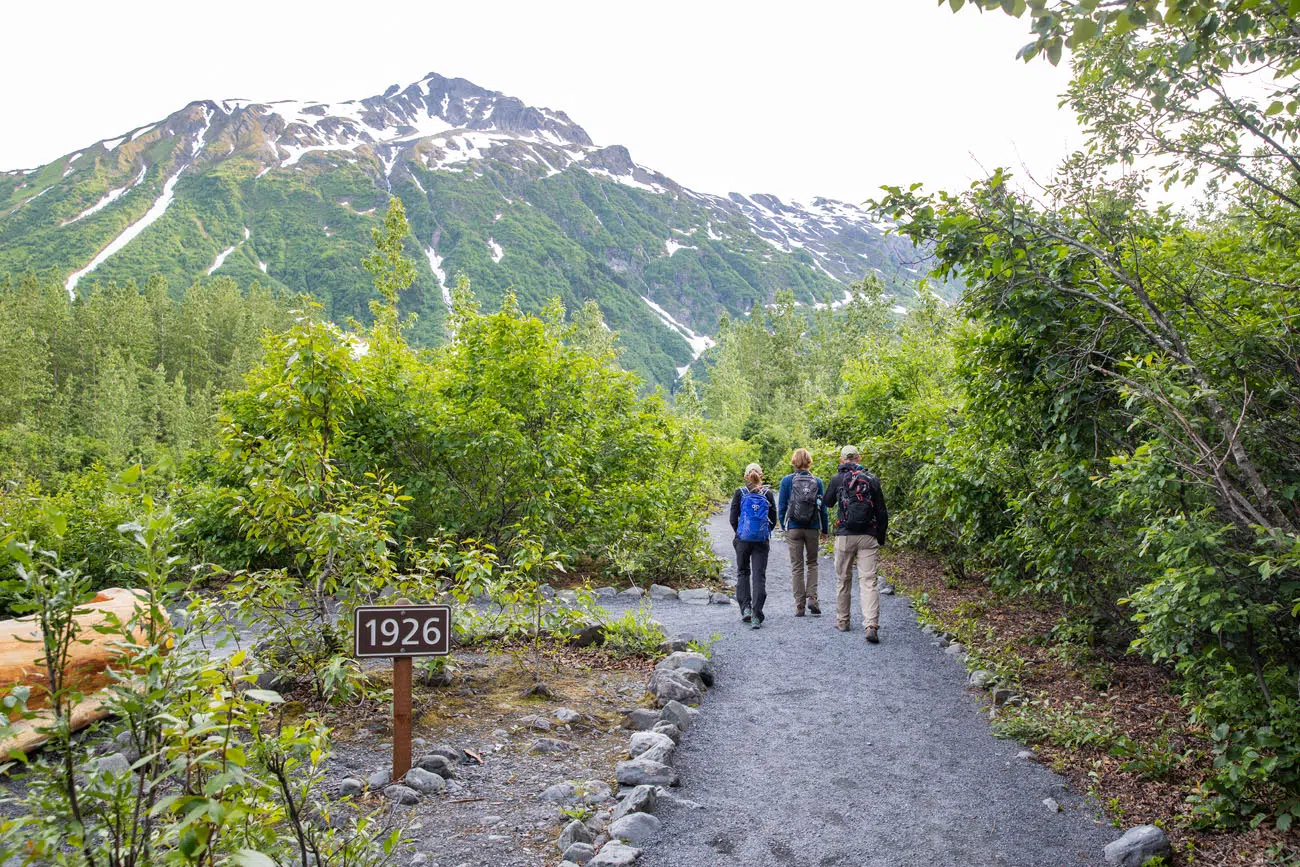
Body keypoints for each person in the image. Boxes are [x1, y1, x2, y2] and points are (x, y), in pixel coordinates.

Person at [823, 445, 889, 643]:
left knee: (843, 579)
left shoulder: (837, 479)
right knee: (869, 581)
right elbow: (881, 511)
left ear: (842, 460)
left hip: (844, 535)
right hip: (868, 536)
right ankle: (871, 625)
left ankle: (843, 621)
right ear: (858, 458)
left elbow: (827, 502)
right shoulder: (871, 479)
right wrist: (881, 536)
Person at [777, 448, 829, 617]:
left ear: (794, 461)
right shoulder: (818, 481)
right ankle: (812, 598)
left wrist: (783, 525)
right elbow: (823, 509)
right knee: (812, 563)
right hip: (813, 527)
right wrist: (825, 529)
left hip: (794, 527)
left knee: (797, 566)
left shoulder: (787, 481)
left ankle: (799, 605)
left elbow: (782, 506)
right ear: (809, 461)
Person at [729, 462, 777, 630]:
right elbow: (774, 519)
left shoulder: (739, 493)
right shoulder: (768, 494)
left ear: (745, 477)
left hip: (742, 540)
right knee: (759, 575)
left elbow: (733, 518)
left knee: (743, 572)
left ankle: (746, 609)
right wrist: (763, 533)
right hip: (761, 541)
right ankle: (757, 615)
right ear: (761, 476)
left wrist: (740, 533)